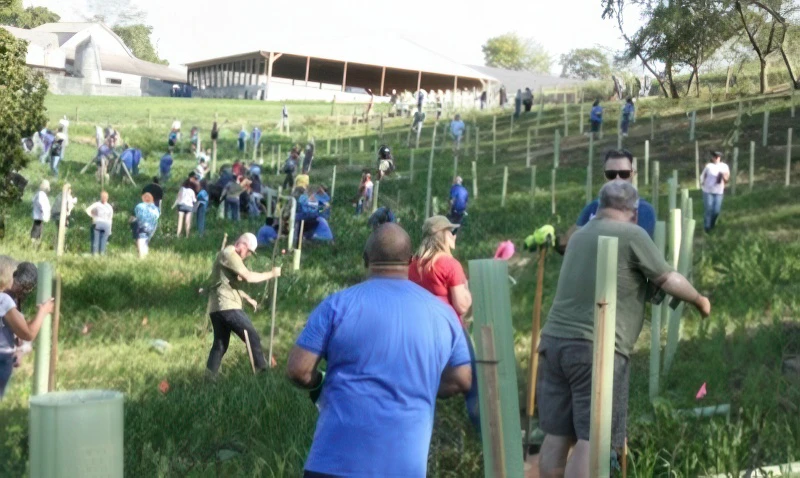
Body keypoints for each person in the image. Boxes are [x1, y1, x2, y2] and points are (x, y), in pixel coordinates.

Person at [536, 181, 711, 478]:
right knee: (593, 439)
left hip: (552, 343)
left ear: (599, 205)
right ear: (634, 211)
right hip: (596, 349)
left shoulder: (578, 236)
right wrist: (699, 300)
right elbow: (668, 278)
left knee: (557, 435)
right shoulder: (632, 234)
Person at [287, 223, 472, 477]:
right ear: (410, 261)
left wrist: (321, 382)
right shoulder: (444, 315)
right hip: (403, 467)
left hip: (332, 464)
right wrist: (423, 386)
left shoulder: (336, 305)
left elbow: (298, 369)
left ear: (365, 259)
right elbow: (462, 379)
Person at [205, 233, 281, 374]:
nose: (248, 255)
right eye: (249, 252)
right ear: (243, 244)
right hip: (227, 305)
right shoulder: (230, 254)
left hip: (217, 307)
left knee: (220, 344)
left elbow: (227, 283)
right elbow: (248, 277)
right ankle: (262, 372)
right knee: (251, 335)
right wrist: (272, 274)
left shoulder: (228, 256)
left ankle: (209, 377)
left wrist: (247, 298)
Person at [558, 150, 657, 254]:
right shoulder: (592, 207)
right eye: (611, 174)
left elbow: (632, 246)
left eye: (624, 174)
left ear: (632, 174)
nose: (617, 179)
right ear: (605, 176)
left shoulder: (644, 210)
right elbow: (569, 244)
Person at [1, 259, 54, 398]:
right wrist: (43, 311)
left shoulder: (7, 300)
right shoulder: (4, 300)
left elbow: (19, 328)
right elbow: (28, 333)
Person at [700, 150, 730, 233]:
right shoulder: (708, 166)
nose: (716, 158)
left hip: (719, 191)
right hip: (708, 190)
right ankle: (707, 227)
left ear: (720, 158)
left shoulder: (724, 167)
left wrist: (723, 176)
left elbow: (727, 179)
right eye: (715, 157)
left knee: (716, 211)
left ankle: (712, 224)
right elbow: (703, 176)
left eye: (718, 157)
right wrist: (702, 184)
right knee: (708, 209)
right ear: (712, 158)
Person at [131, 193, 160, 258]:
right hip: (152, 227)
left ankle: (141, 258)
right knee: (146, 242)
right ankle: (145, 257)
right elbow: (156, 218)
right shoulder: (155, 208)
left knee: (140, 241)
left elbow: (135, 217)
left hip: (142, 226)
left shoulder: (140, 206)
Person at [85, 191, 113, 255]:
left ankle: (95, 255)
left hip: (98, 223)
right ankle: (101, 255)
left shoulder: (97, 204)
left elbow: (87, 210)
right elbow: (110, 219)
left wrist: (93, 216)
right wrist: (110, 230)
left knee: (96, 241)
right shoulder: (109, 207)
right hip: (105, 225)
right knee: (102, 241)